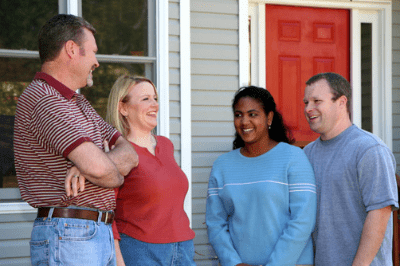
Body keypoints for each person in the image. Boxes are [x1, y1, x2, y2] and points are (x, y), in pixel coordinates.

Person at [13, 14, 138, 266]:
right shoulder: (45, 100)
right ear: (71, 49)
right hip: (69, 233)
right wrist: (101, 168)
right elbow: (107, 173)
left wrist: (86, 166)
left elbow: (130, 153)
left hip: (90, 232)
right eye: (92, 52)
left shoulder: (78, 103)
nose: (97, 62)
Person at [206, 86, 317, 266]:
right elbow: (215, 224)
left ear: (269, 118)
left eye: (253, 114)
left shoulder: (293, 158)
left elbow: (303, 220)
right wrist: (234, 263)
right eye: (238, 115)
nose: (244, 121)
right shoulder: (222, 165)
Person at [302, 72, 398, 266]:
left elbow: (380, 213)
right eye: (306, 102)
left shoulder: (369, 149)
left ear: (341, 102)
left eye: (317, 101)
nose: (308, 109)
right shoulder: (307, 154)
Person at [105, 75, 196, 266]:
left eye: (155, 98)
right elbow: (107, 212)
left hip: (183, 249)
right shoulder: (119, 153)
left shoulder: (166, 144)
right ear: (123, 108)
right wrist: (118, 260)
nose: (154, 104)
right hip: (140, 251)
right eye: (145, 99)